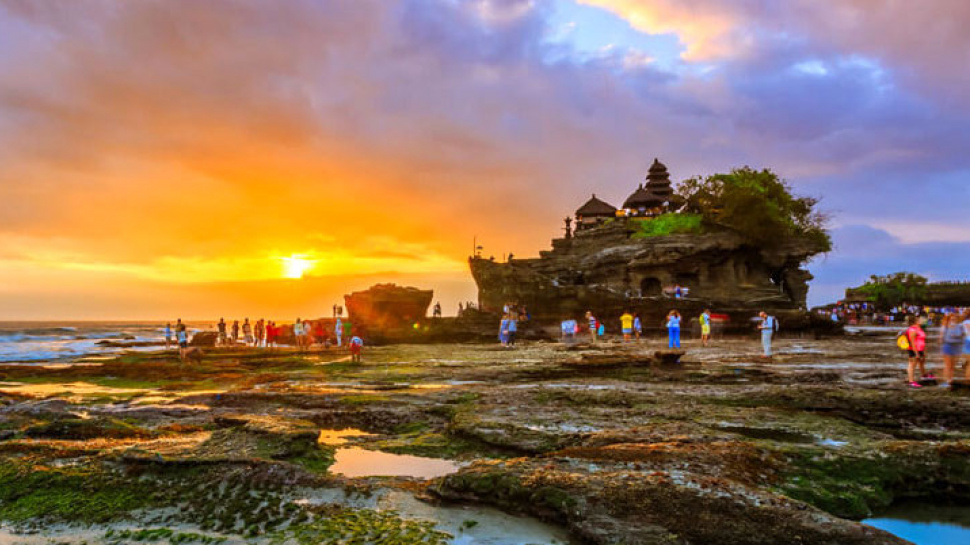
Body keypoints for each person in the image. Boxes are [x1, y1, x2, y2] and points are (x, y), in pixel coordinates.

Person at [940, 313, 966, 388]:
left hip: (956, 347)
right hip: (947, 346)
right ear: (949, 319)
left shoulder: (960, 326)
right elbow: (941, 338)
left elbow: (963, 335)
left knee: (952, 366)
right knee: (948, 365)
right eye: (952, 319)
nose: (953, 320)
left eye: (955, 319)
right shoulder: (945, 327)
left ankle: (950, 380)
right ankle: (946, 381)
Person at [904, 315, 930, 388]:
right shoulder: (912, 330)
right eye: (919, 320)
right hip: (914, 349)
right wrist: (916, 353)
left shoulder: (919, 328)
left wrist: (923, 351)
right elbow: (912, 343)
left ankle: (911, 378)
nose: (921, 321)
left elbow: (922, 340)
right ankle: (911, 381)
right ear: (915, 321)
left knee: (917, 363)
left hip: (920, 349)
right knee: (912, 365)